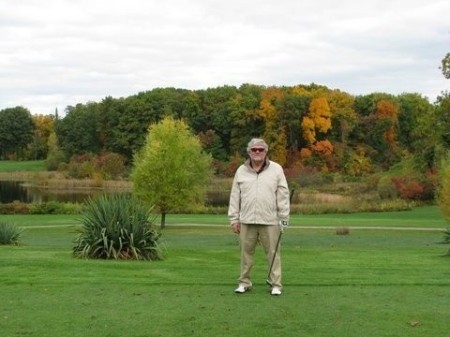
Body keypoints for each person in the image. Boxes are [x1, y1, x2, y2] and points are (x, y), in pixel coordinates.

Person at [228, 138, 290, 296]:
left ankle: (275, 284)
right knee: (245, 254)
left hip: (270, 220)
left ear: (266, 152)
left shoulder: (276, 169)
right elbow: (235, 197)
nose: (257, 152)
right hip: (246, 220)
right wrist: (234, 219)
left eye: (260, 149)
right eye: (254, 149)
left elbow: (283, 194)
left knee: (273, 253)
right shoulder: (241, 170)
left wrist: (284, 217)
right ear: (249, 152)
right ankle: (244, 282)